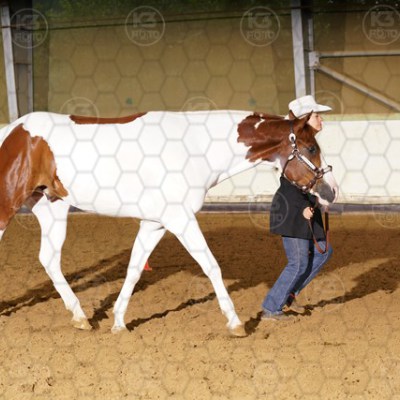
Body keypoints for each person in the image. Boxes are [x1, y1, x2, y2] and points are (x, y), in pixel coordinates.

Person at [261, 95, 334, 321]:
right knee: (299, 262)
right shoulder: (294, 146)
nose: (321, 120)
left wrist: (320, 199)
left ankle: (288, 295)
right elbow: (289, 181)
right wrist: (302, 206)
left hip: (308, 206)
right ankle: (271, 307)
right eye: (316, 116)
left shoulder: (308, 144)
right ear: (305, 118)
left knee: (324, 251)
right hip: (293, 208)